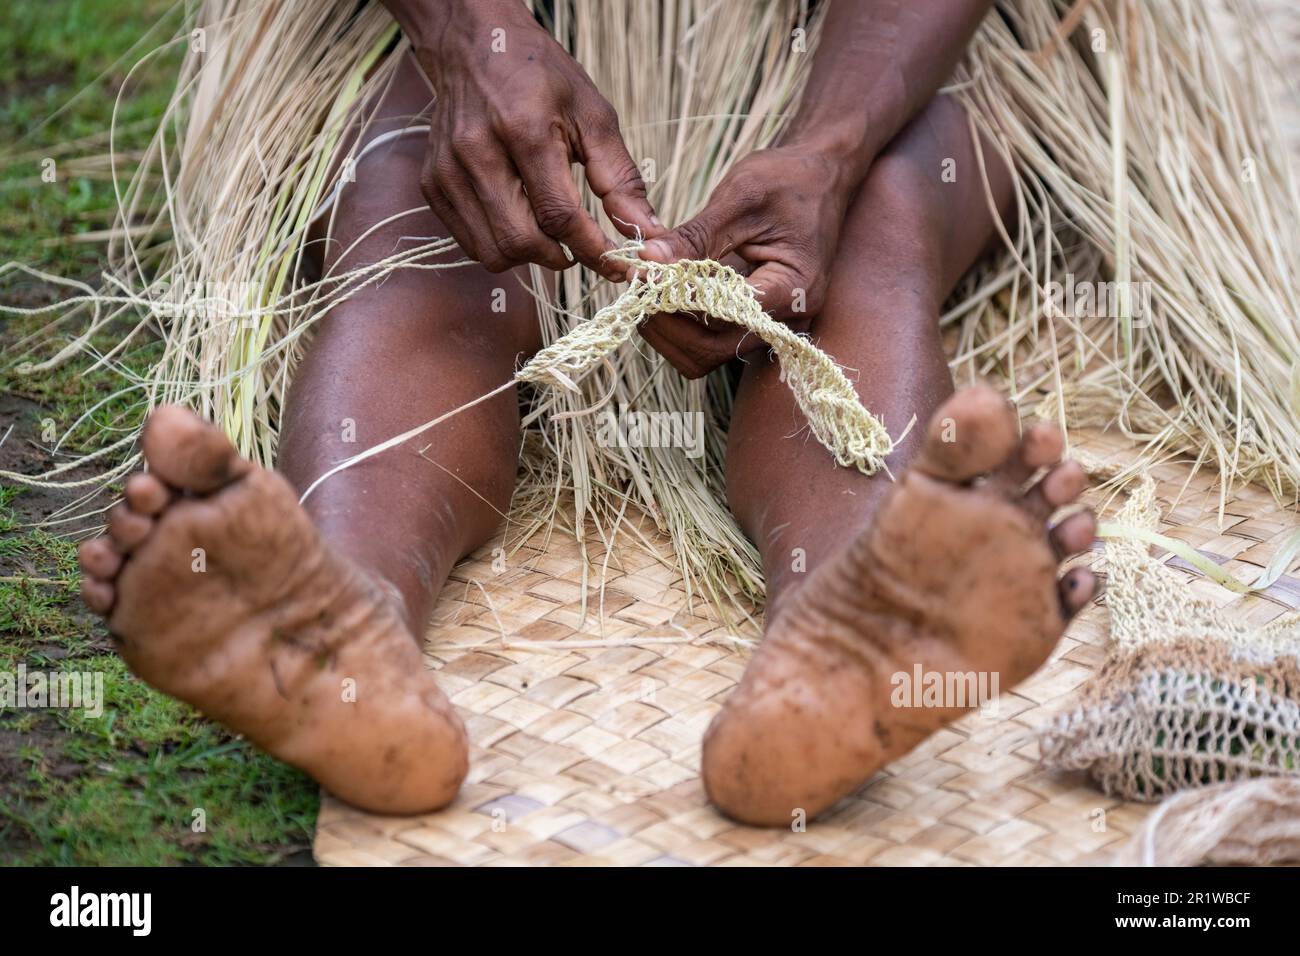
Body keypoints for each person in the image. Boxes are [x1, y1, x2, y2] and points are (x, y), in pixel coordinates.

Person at [75, 0, 1097, 825]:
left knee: (872, 217)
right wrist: (466, 33)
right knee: (419, 205)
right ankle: (337, 617)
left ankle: (856, 610)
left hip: (871, 36)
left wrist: (829, 149)